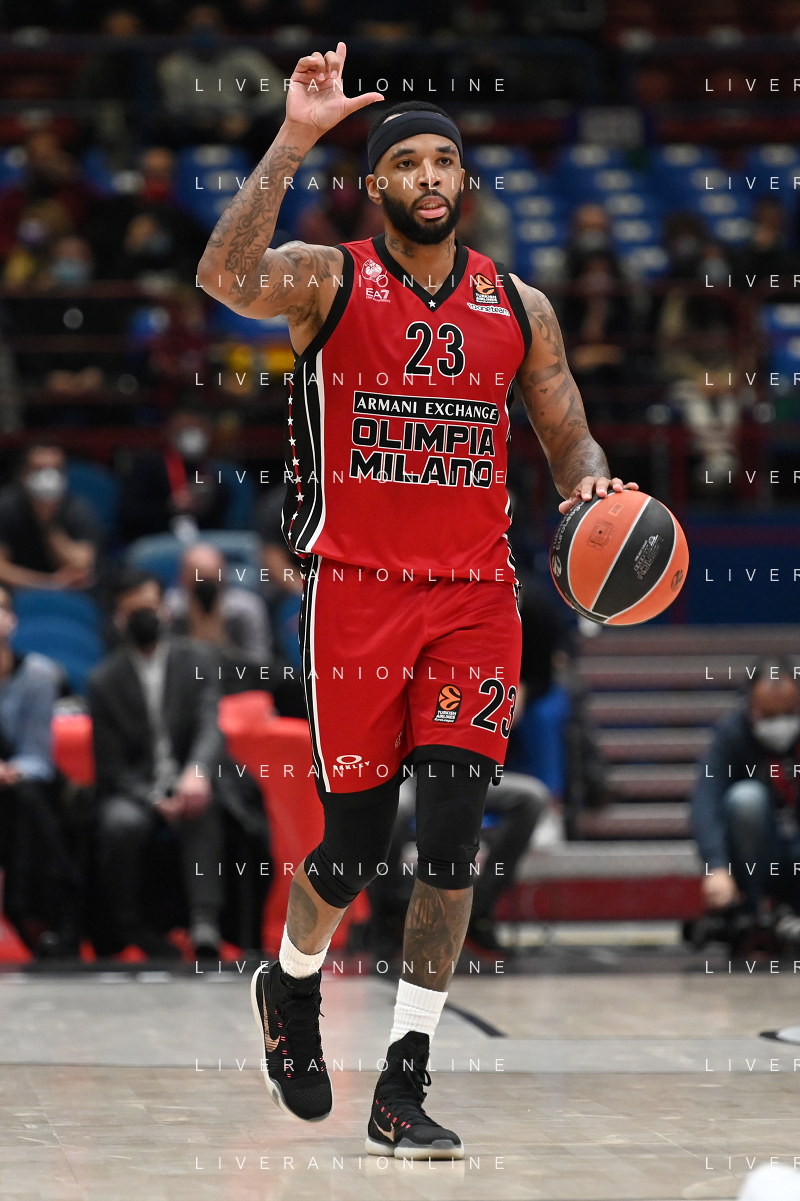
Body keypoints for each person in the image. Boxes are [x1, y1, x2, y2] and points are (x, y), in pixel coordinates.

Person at [198, 44, 637, 1159]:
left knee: (449, 840)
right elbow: (222, 278)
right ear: (377, 183)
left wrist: (590, 483)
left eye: (445, 160)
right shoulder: (326, 279)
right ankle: (291, 984)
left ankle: (403, 1078)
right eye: (408, 162)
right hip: (353, 595)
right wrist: (293, 138)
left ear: (463, 180)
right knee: (349, 847)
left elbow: (568, 429)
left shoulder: (518, 305)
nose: (430, 176)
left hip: (475, 599)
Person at [89, 568, 226, 959]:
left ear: (165, 610)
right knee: (119, 823)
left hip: (188, 776)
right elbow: (110, 767)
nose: (144, 618)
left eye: (149, 608)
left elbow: (210, 727)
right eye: (133, 612)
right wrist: (153, 798)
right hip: (135, 790)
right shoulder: (104, 681)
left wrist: (197, 771)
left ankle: (205, 921)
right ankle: (130, 926)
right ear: (119, 619)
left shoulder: (198, 659)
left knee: (204, 803)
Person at [691, 658, 800, 947]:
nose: (780, 723)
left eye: (789, 712)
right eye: (769, 714)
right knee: (746, 799)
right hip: (759, 858)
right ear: (751, 705)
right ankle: (755, 911)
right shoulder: (732, 734)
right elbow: (706, 800)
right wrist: (716, 865)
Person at [0, 585, 77, 956]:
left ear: (13, 620)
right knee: (26, 801)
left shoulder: (39, 674)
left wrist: (8, 772)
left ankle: (25, 908)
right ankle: (52, 909)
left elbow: (37, 756)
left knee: (25, 795)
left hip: (21, 786)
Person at [118, 408, 251, 541]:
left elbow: (230, 522)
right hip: (158, 538)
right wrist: (170, 507)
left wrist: (206, 505)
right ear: (169, 432)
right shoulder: (147, 466)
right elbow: (130, 515)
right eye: (184, 428)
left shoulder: (221, 473)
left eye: (198, 428)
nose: (192, 434)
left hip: (207, 540)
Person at [0, 444, 98, 591]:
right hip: (16, 590)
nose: (47, 476)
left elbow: (81, 566)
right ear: (23, 473)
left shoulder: (78, 509)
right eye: (39, 469)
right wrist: (49, 583)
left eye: (55, 469)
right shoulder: (5, 506)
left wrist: (47, 524)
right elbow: (1, 569)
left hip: (70, 592)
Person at [164, 540, 272, 665]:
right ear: (182, 579)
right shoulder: (169, 610)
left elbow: (260, 662)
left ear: (225, 578)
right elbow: (161, 664)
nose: (206, 589)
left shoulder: (247, 610)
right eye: (198, 580)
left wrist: (222, 643)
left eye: (212, 580)